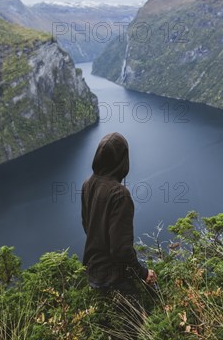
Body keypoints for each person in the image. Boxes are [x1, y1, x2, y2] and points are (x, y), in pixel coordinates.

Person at [81, 132, 157, 337]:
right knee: (131, 332)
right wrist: (143, 273)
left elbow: (87, 226)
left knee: (108, 331)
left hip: (94, 273)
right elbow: (120, 249)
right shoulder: (119, 194)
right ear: (123, 160)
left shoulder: (88, 184)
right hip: (115, 279)